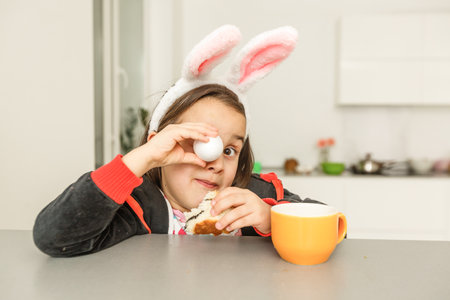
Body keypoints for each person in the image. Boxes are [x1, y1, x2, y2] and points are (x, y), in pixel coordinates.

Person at [33, 25, 322, 257]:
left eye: (230, 150)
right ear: (161, 147)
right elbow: (55, 238)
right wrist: (140, 159)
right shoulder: (138, 206)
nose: (216, 163)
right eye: (199, 141)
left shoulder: (253, 197)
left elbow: (333, 227)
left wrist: (273, 219)